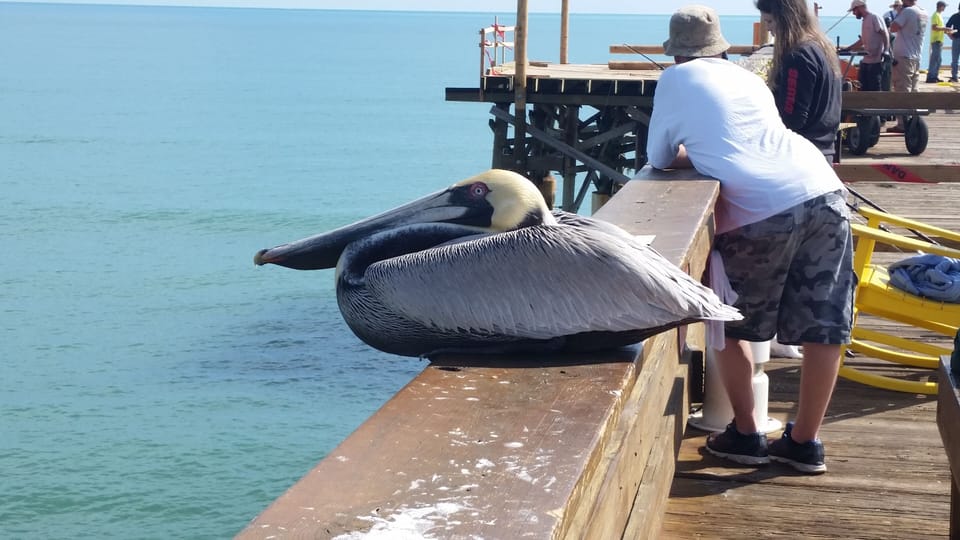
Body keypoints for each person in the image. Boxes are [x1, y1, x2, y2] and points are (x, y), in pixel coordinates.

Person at [646, 5, 856, 474]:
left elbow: (658, 156)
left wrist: (696, 153)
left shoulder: (674, 81)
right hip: (822, 190)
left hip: (761, 208)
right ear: (721, 47)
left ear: (677, 54)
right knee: (824, 326)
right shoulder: (746, 76)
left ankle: (746, 432)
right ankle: (804, 442)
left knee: (728, 321)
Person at [755, 0, 842, 162]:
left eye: (769, 21)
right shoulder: (822, 47)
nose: (767, 28)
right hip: (824, 150)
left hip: (802, 157)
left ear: (785, 19)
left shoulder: (798, 56)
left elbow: (792, 118)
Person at [889, 0, 929, 132]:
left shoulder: (907, 12)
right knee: (914, 90)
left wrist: (899, 11)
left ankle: (902, 124)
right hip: (916, 55)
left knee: (902, 89)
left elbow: (893, 28)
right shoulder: (923, 12)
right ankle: (913, 120)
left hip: (904, 56)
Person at [845, 0, 892, 91]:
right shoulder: (865, 20)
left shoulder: (874, 17)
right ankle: (864, 105)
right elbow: (862, 40)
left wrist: (886, 50)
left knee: (874, 88)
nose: (854, 13)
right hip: (866, 60)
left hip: (876, 61)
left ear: (859, 7)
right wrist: (848, 49)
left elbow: (885, 34)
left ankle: (874, 105)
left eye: (854, 11)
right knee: (862, 87)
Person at [927, 1, 955, 81]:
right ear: (941, 6)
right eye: (944, 6)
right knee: (935, 59)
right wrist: (946, 29)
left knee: (938, 60)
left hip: (939, 40)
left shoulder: (939, 15)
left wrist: (947, 32)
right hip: (936, 40)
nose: (945, 8)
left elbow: (939, 28)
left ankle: (935, 76)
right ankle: (931, 77)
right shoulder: (935, 15)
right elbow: (934, 27)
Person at [883, 0, 904, 89]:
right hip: (898, 41)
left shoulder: (886, 14)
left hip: (889, 39)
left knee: (889, 67)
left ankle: (890, 85)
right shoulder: (902, 15)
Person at [946, 2, 960, 81]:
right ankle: (955, 76)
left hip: (956, 39)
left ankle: (955, 77)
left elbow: (947, 27)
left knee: (955, 59)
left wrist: (950, 36)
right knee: (955, 60)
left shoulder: (954, 16)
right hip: (956, 39)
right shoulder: (954, 16)